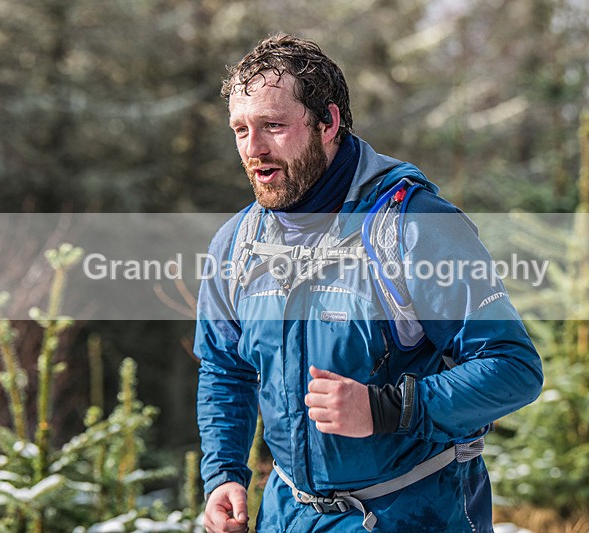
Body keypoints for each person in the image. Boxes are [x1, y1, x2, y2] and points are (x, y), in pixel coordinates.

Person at [195, 33, 543, 533]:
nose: (254, 149)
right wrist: (224, 472)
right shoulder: (237, 243)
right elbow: (225, 368)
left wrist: (385, 408)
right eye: (240, 129)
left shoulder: (414, 226)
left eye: (273, 126)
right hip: (287, 515)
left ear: (329, 123)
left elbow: (513, 369)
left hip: (413, 513)